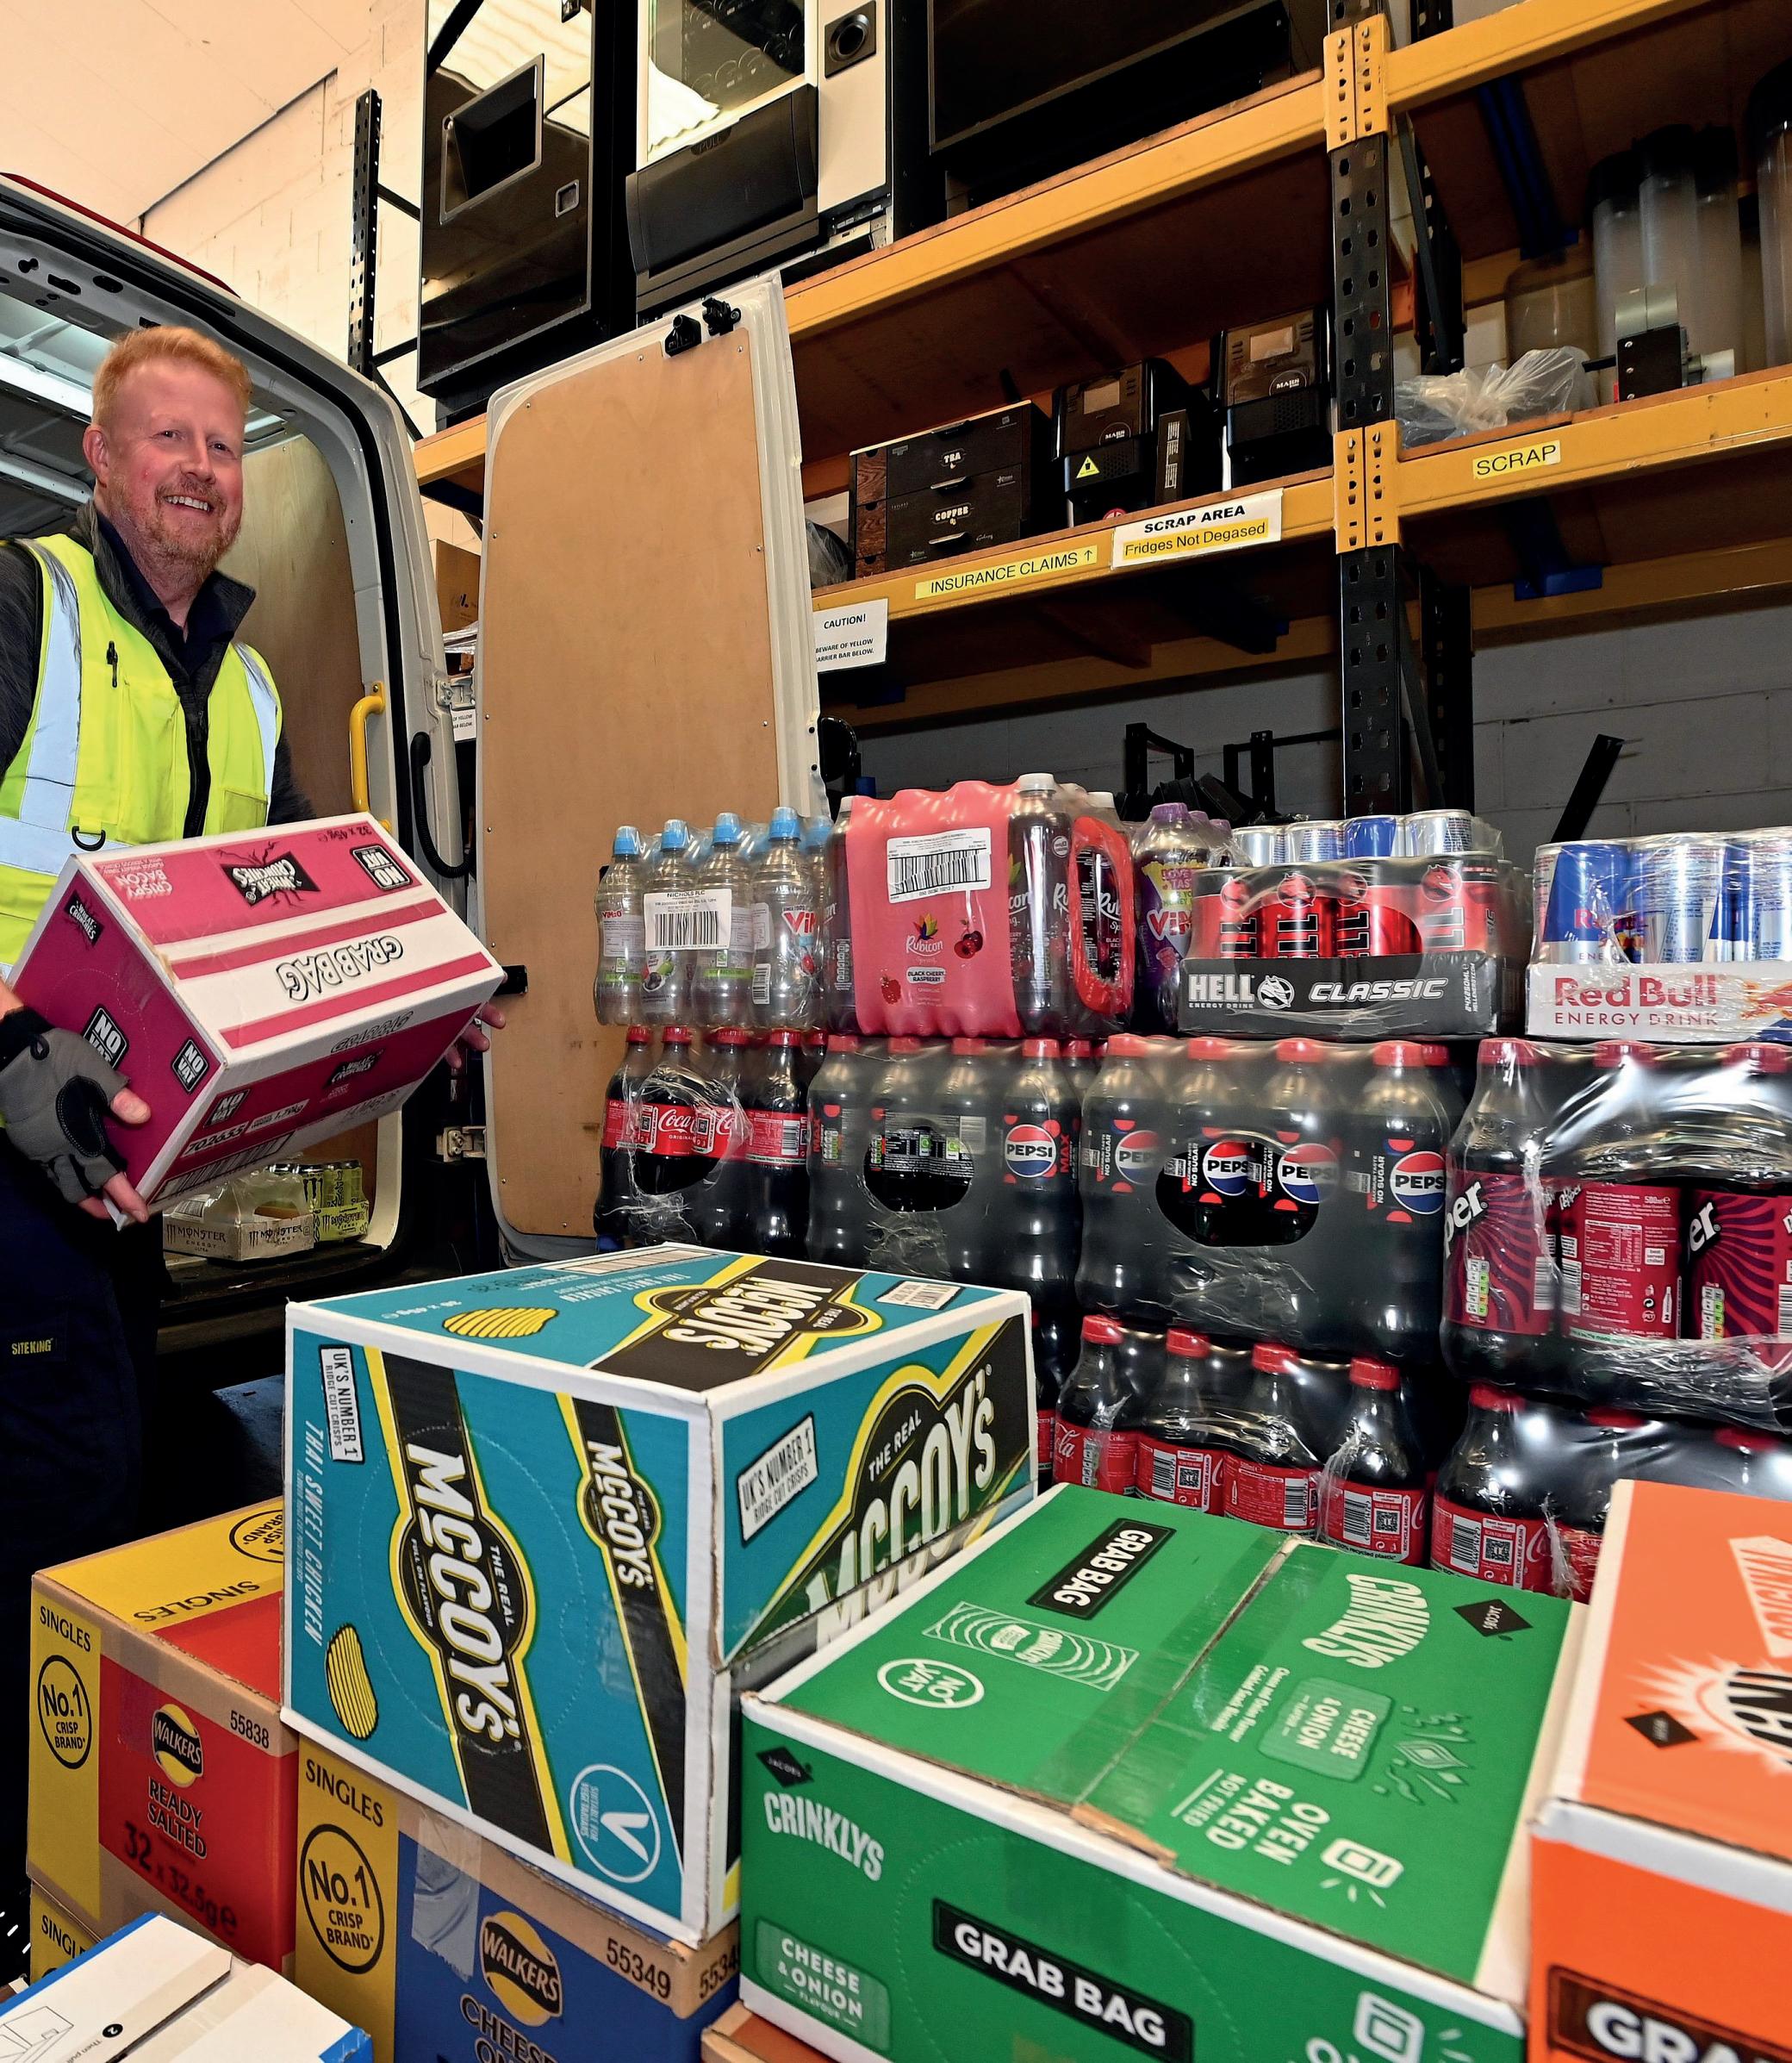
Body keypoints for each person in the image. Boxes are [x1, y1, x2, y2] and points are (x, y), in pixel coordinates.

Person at [0, 327, 496, 1920]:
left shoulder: (252, 677)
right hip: (9, 1152)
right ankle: (33, 1872)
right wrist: (8, 1049)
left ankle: (92, 1842)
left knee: (122, 1480)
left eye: (221, 446)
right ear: (100, 457)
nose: (201, 472)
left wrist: (431, 989)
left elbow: (300, 912)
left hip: (123, 1177)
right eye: (168, 440)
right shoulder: (28, 609)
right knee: (55, 1500)